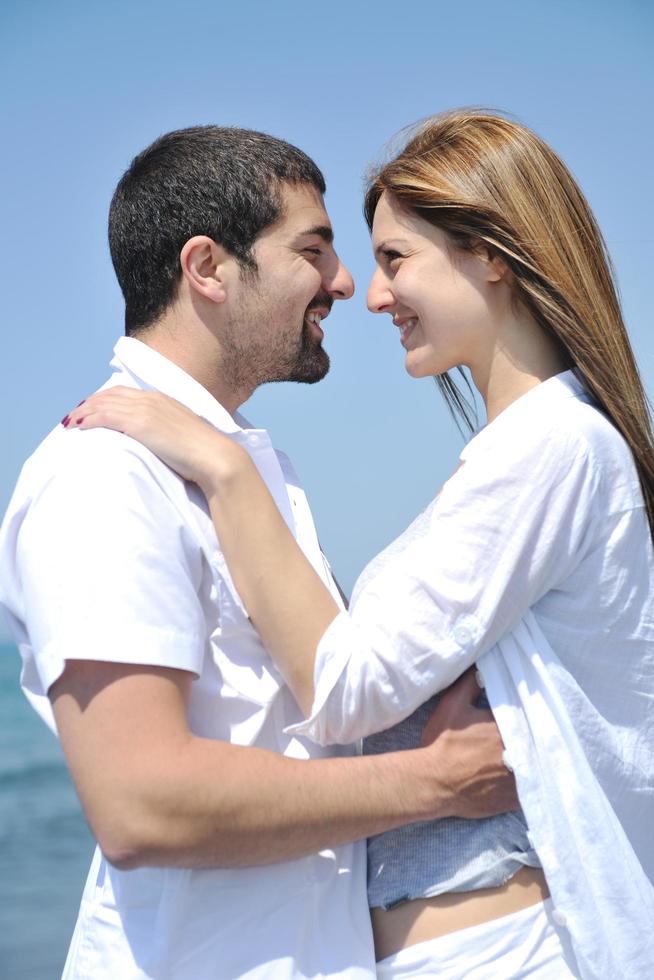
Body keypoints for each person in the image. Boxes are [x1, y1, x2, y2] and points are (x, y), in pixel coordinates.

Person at [65, 111, 654, 979]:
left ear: (492, 254)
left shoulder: (554, 449)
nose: (370, 294)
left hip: (493, 951)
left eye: (394, 260)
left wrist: (224, 468)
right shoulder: (530, 454)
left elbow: (346, 686)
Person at [0, 126, 517, 980]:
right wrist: (441, 781)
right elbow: (140, 804)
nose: (346, 284)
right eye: (313, 251)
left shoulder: (235, 464)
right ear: (206, 268)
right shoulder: (104, 473)